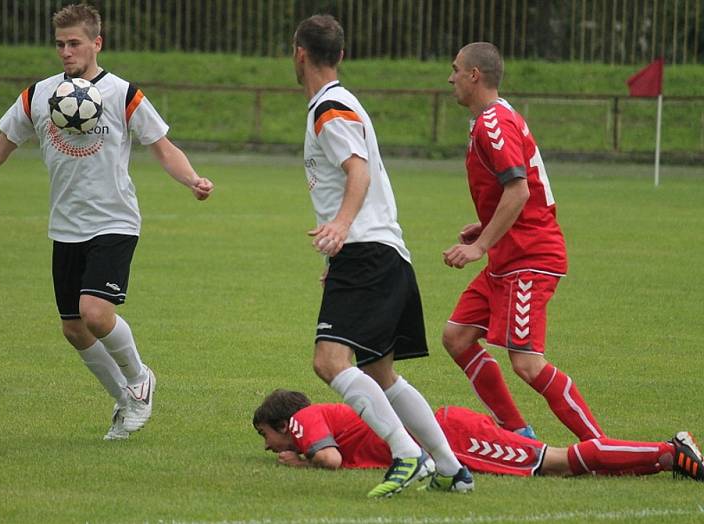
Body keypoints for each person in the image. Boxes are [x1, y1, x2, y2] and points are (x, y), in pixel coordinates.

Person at [0, 4, 213, 440]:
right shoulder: (39, 95)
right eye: (60, 44)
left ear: (96, 43)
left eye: (74, 44)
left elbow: (162, 146)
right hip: (66, 226)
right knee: (73, 328)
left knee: (94, 312)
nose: (66, 52)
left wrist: (192, 180)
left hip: (115, 220)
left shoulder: (123, 94)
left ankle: (140, 377)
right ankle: (126, 401)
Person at [293, 14, 471, 498]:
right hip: (382, 253)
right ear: (342, 56)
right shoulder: (339, 103)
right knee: (379, 371)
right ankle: (451, 468)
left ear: (299, 54)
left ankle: (406, 454)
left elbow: (359, 172)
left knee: (330, 361)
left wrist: (341, 229)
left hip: (367, 252)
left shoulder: (329, 108)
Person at [441, 42, 603, 442]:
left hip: (529, 257)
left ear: (474, 75)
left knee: (527, 363)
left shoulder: (493, 123)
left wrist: (479, 246)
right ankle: (518, 431)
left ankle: (599, 444)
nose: (451, 78)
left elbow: (518, 191)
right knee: (457, 337)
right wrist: (486, 227)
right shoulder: (495, 118)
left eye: (456, 69)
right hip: (508, 254)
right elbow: (519, 190)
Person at [253, 389, 704, 482]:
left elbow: (330, 460)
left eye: (265, 435)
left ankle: (668, 449)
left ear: (281, 422)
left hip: (455, 436)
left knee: (558, 462)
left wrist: (303, 459)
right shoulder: (320, 417)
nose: (268, 445)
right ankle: (667, 459)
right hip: (451, 433)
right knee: (558, 467)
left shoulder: (306, 418)